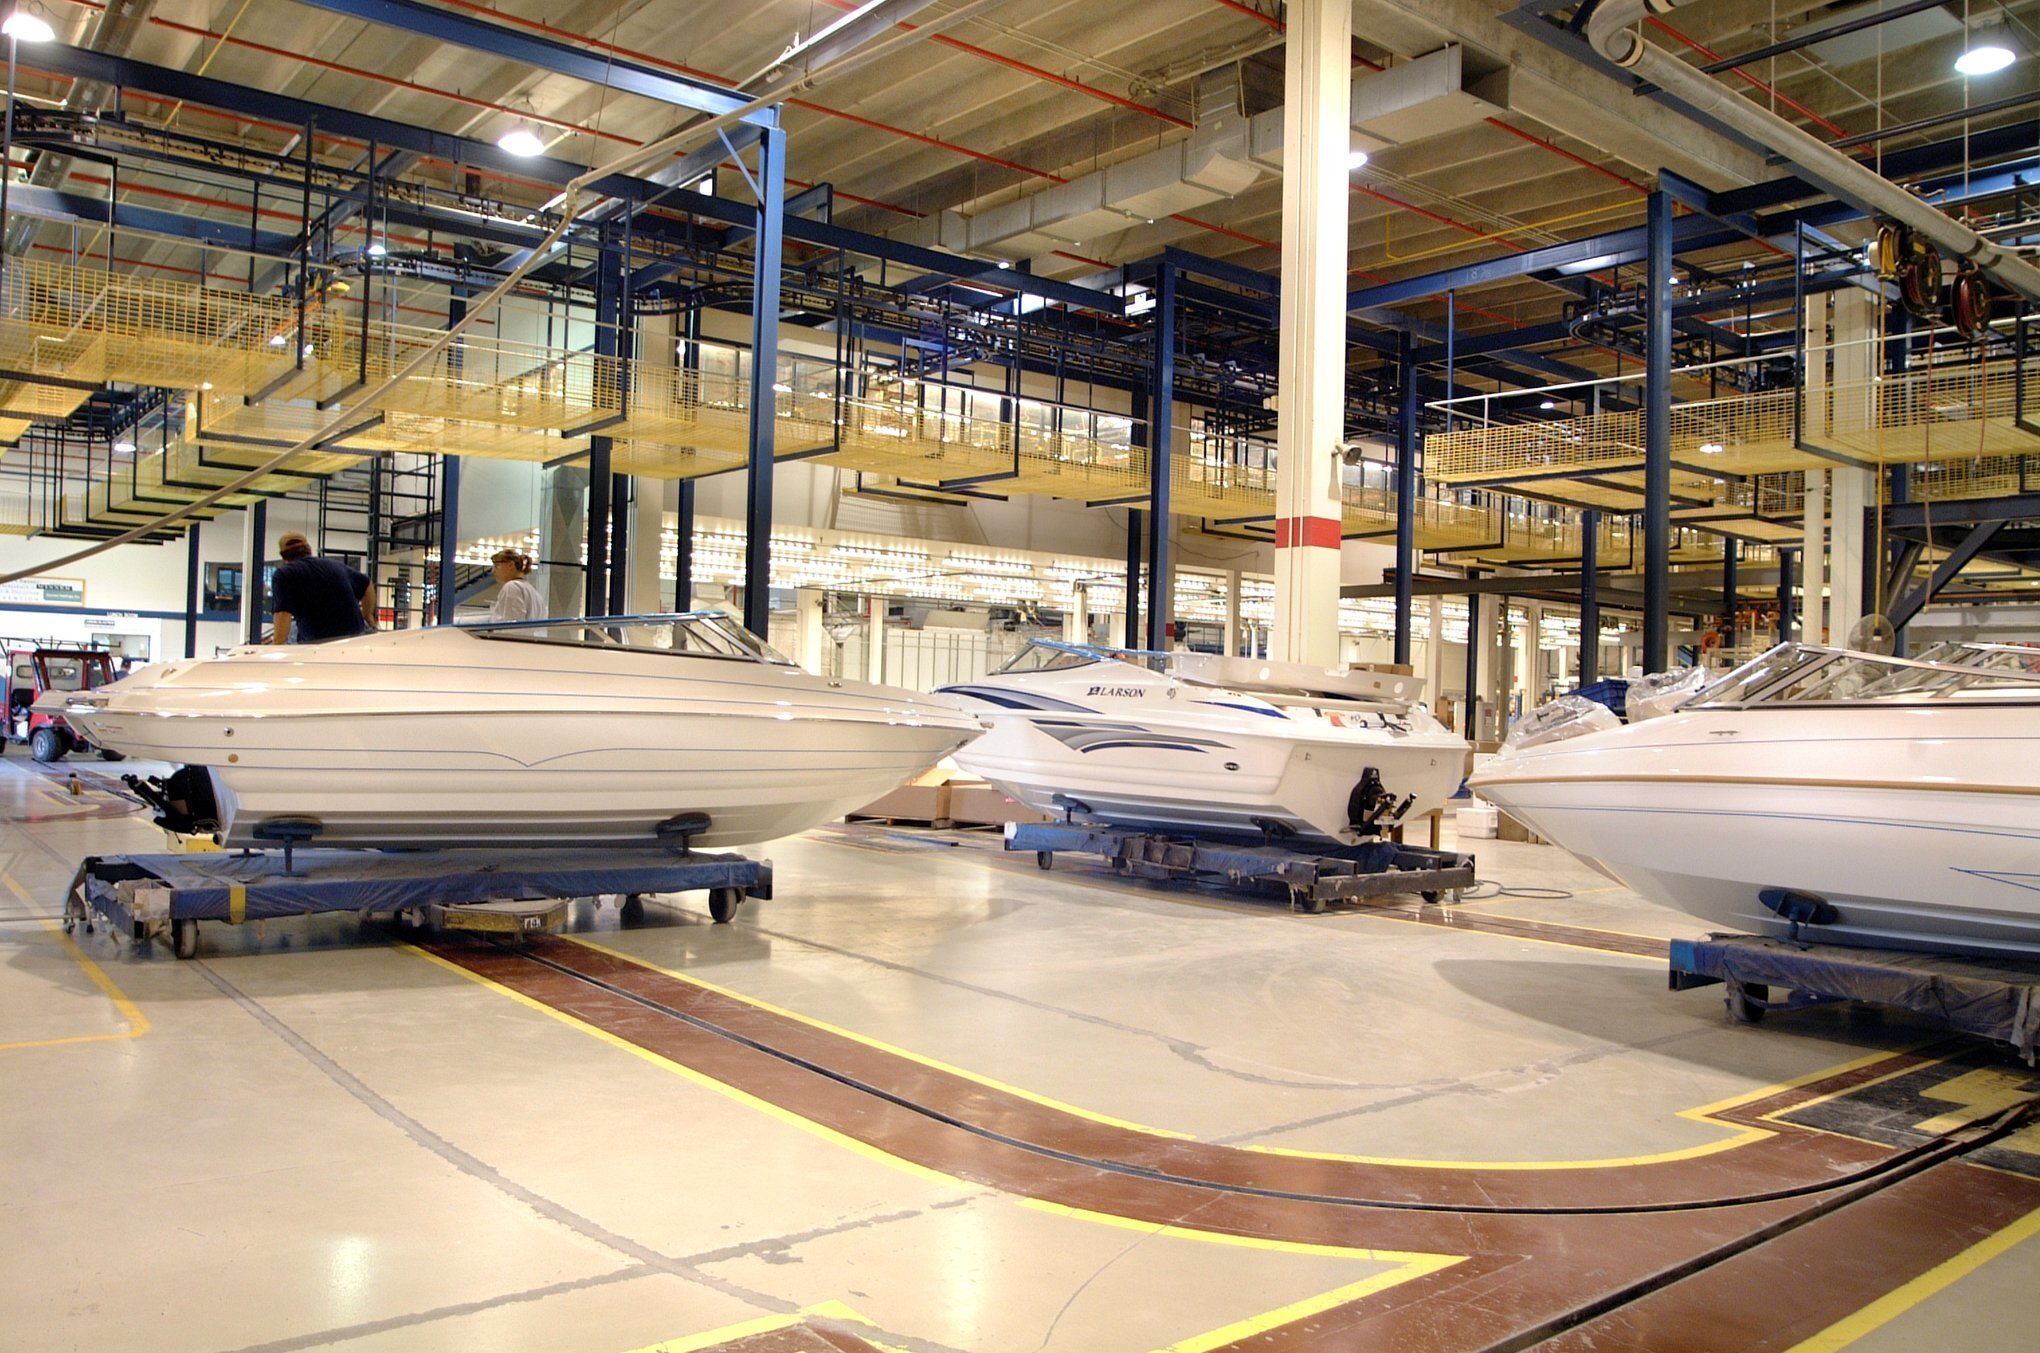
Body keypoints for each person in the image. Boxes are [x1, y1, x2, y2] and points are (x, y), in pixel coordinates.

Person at [268, 532, 373, 644]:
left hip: (319, 642)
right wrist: (368, 615)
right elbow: (367, 584)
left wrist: (276, 645)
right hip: (356, 637)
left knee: (293, 631)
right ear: (309, 549)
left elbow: (282, 615)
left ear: (283, 557)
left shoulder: (283, 574)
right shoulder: (335, 565)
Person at [488, 549, 546, 623]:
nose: (493, 571)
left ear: (510, 565)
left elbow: (512, 625)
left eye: (497, 566)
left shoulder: (512, 587)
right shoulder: (532, 590)